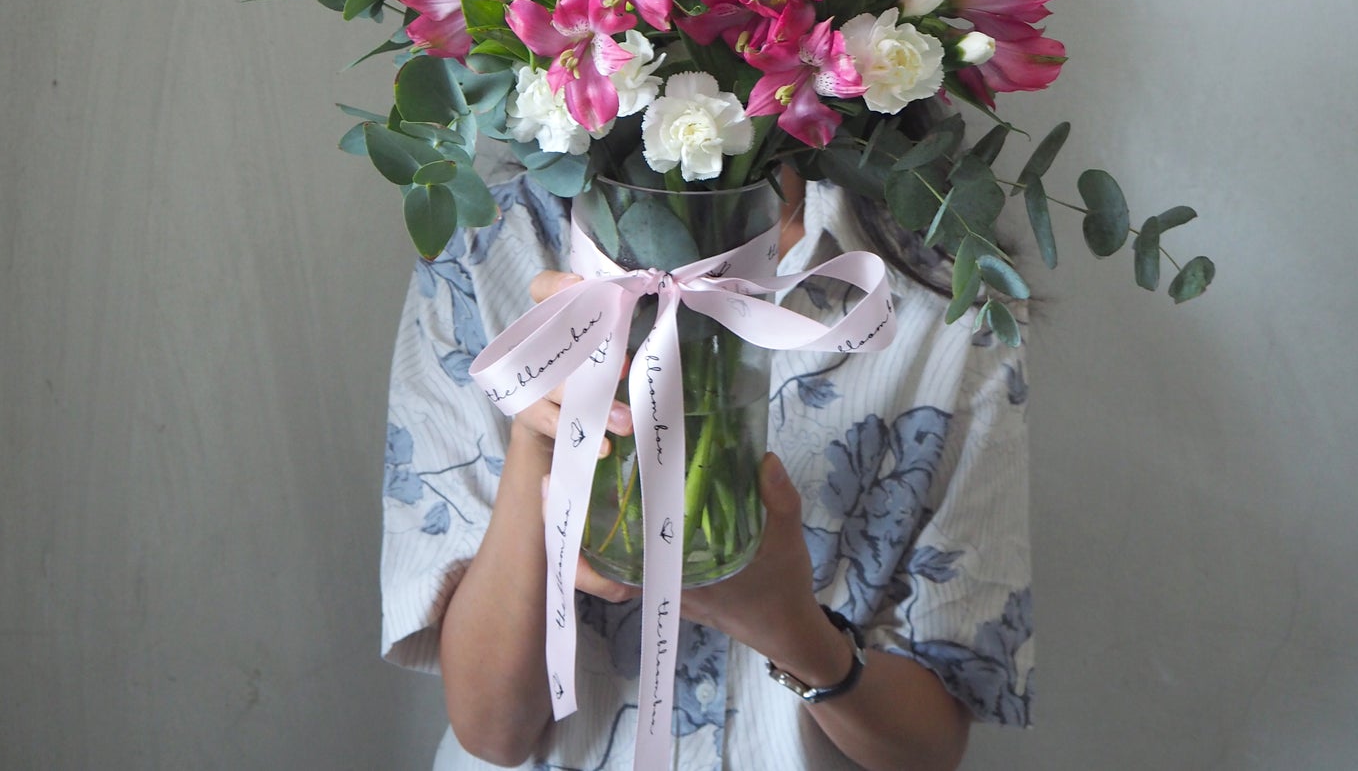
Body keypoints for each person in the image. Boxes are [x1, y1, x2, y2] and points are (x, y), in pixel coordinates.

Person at [382, 167, 1033, 770]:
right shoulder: (489, 243)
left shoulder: (945, 296)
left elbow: (928, 749)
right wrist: (537, 443)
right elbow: (493, 732)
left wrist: (788, 627)